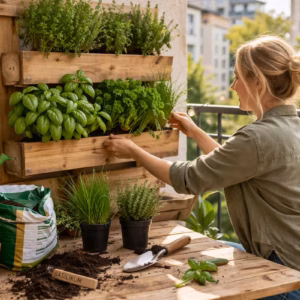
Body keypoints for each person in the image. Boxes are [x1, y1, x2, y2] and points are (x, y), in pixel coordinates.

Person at [103, 36, 300, 300]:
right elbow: (236, 164)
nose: (233, 86)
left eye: (237, 77)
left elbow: (187, 178)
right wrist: (196, 133)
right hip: (293, 256)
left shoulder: (258, 138)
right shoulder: (291, 127)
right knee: (191, 250)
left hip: (281, 273)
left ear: (257, 82)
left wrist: (133, 151)